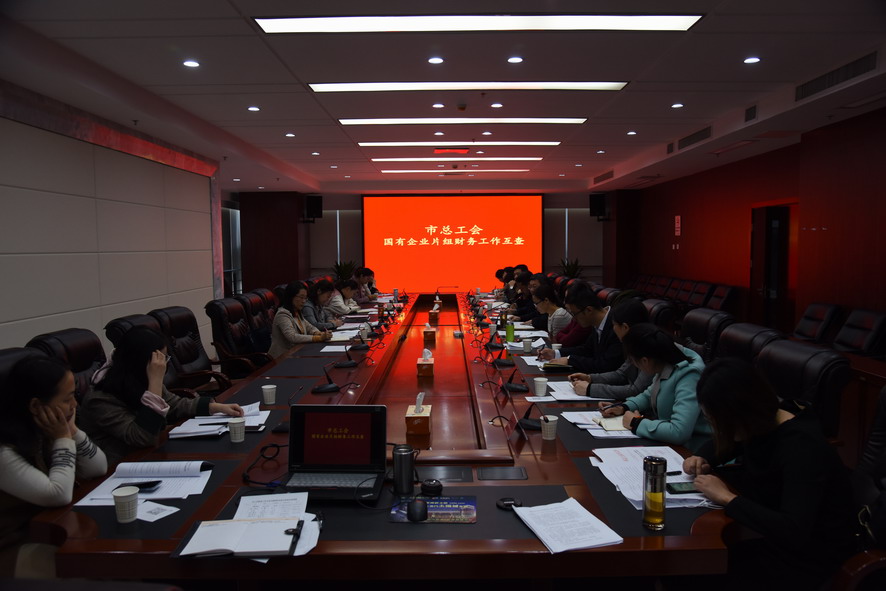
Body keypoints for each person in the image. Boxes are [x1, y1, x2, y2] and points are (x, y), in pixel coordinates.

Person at [682, 358, 857, 589]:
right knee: (690, 565)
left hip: (807, 559)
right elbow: (726, 444)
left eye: (718, 421)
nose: (717, 429)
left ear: (741, 412)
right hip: (767, 538)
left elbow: (793, 529)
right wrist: (701, 458)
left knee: (692, 570)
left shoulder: (802, 447)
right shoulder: (762, 421)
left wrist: (727, 498)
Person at [0, 356, 108, 577]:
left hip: (51, 531)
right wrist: (63, 438)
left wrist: (73, 430)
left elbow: (98, 468)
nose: (75, 404)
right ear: (36, 406)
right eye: (67, 399)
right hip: (12, 549)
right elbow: (57, 494)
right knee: (101, 567)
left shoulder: (44, 430)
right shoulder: (4, 450)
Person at [80, 327, 243, 465]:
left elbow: (173, 404)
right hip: (117, 470)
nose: (165, 364)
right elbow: (142, 437)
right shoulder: (100, 399)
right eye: (161, 360)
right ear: (142, 362)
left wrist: (213, 407)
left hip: (149, 455)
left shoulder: (137, 379)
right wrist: (155, 381)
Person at [598, 323, 710, 448]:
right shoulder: (665, 359)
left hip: (694, 451)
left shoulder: (689, 375)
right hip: (669, 444)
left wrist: (636, 423)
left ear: (645, 361)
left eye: (633, 361)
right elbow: (650, 394)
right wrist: (623, 407)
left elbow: (679, 432)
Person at [568, 298, 654, 400]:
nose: (613, 329)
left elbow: (636, 391)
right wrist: (590, 378)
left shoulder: (651, 349)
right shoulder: (635, 343)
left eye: (614, 325)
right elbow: (621, 374)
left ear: (625, 327)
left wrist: (590, 389)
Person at [537, 287, 623, 374]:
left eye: (574, 314)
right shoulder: (598, 322)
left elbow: (606, 365)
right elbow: (586, 350)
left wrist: (570, 360)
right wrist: (555, 353)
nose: (573, 319)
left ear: (589, 310)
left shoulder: (617, 326)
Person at [269, 281, 332, 357]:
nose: (304, 301)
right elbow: (292, 336)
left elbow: (309, 327)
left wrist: (318, 333)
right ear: (291, 297)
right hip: (282, 357)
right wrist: (318, 338)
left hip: (298, 352)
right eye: (301, 297)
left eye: (305, 298)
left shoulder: (296, 312)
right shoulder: (282, 314)